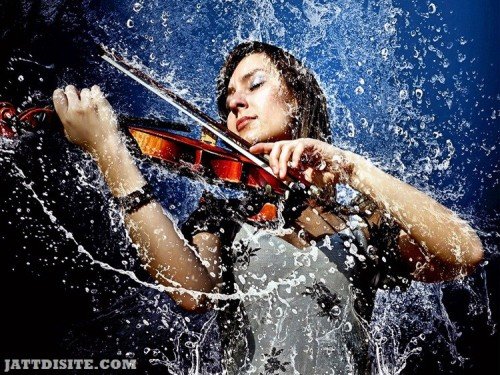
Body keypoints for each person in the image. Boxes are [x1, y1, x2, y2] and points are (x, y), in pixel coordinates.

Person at [52, 41, 484, 374]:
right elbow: (191, 294)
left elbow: (465, 251)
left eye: (254, 85)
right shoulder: (221, 219)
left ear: (296, 98)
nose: (234, 103)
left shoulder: (360, 223)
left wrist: (352, 169)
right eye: (227, 100)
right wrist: (110, 151)